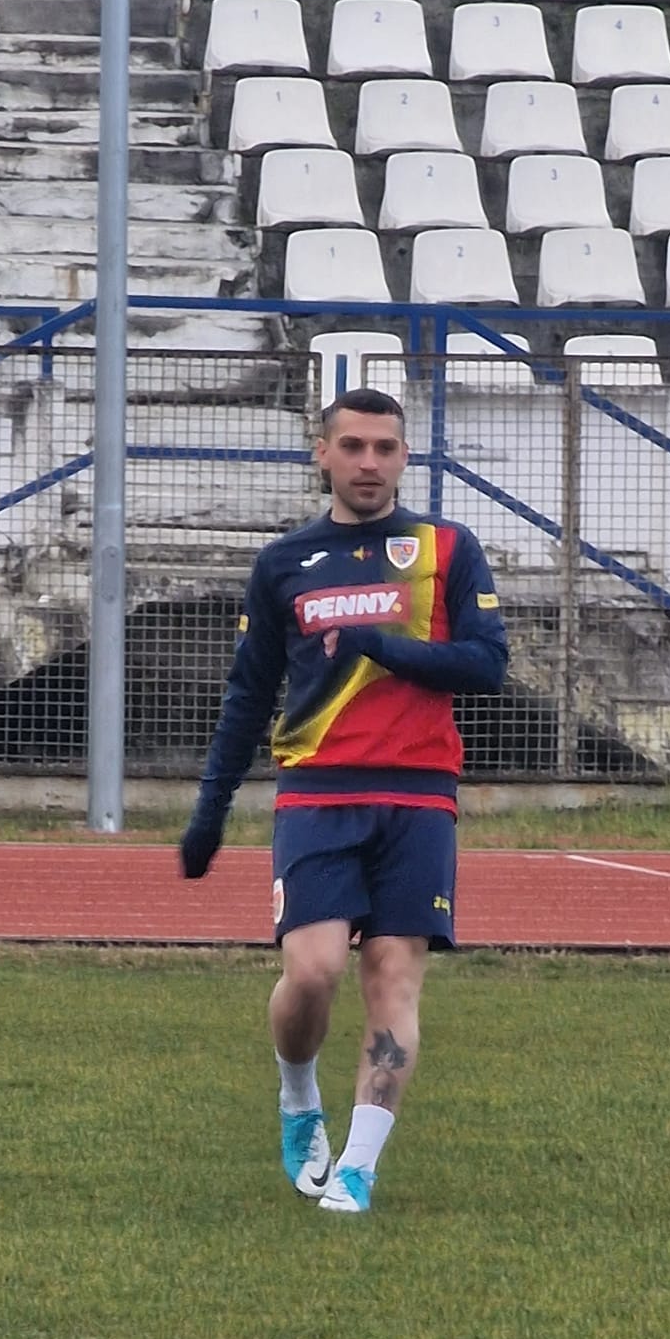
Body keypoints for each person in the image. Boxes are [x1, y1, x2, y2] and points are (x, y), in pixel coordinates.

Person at [179, 387, 508, 1214]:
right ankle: (299, 1100)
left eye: (386, 448)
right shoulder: (284, 563)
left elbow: (485, 665)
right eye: (353, 446)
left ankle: (357, 1170)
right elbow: (248, 697)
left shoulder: (448, 549)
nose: (369, 462)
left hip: (419, 795)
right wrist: (210, 812)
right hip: (319, 794)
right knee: (315, 970)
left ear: (405, 456)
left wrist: (381, 649)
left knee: (392, 975)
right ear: (321, 453)